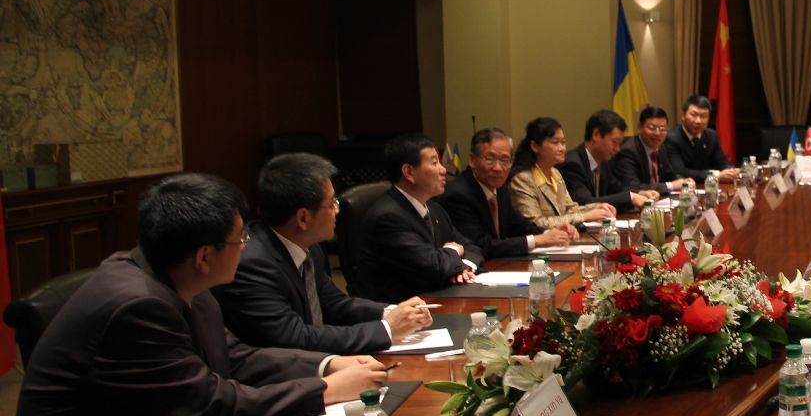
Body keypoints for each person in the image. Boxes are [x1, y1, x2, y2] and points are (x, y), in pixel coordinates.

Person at [6, 174, 390, 416]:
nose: (247, 245)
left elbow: (235, 357)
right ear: (205, 256)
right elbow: (209, 405)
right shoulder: (136, 307)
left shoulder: (178, 276)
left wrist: (328, 364)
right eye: (240, 238)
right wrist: (324, 390)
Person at [215, 153, 433, 355]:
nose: (337, 210)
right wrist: (387, 329)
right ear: (303, 218)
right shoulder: (252, 265)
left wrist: (393, 312)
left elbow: (335, 304)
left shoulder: (309, 245)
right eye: (332, 203)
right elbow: (295, 338)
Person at [357, 134, 482, 303]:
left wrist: (464, 266)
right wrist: (454, 251)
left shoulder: (435, 209)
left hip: (437, 299)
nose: (443, 170)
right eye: (434, 163)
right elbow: (433, 267)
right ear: (409, 172)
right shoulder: (388, 217)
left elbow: (472, 247)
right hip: (402, 309)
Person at [436, 127, 576, 258]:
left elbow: (517, 225)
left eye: (504, 160)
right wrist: (537, 240)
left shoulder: (501, 189)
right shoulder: (459, 195)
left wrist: (551, 233)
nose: (498, 168)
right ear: (472, 160)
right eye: (490, 159)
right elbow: (480, 245)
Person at [508, 117, 616, 228]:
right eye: (555, 142)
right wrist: (585, 216)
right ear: (535, 146)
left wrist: (597, 207)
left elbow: (569, 209)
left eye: (563, 142)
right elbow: (536, 223)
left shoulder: (555, 173)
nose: (562, 148)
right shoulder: (522, 179)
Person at [559, 109, 658, 210]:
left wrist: (640, 193)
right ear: (596, 135)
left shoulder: (603, 160)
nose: (617, 149)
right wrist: (631, 198)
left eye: (619, 143)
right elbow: (584, 202)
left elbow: (616, 188)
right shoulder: (572, 164)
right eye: (614, 142)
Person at [661, 94, 739, 185]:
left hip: (709, 187)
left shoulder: (711, 135)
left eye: (703, 116)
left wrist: (731, 171)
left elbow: (722, 162)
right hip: (684, 188)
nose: (698, 121)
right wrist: (715, 175)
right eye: (694, 115)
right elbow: (680, 171)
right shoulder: (672, 138)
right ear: (683, 115)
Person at [613, 105, 691, 193]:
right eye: (652, 128)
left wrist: (682, 180)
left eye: (662, 129)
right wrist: (671, 185)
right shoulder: (628, 152)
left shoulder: (661, 147)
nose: (657, 133)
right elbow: (633, 187)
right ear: (639, 127)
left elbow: (669, 175)